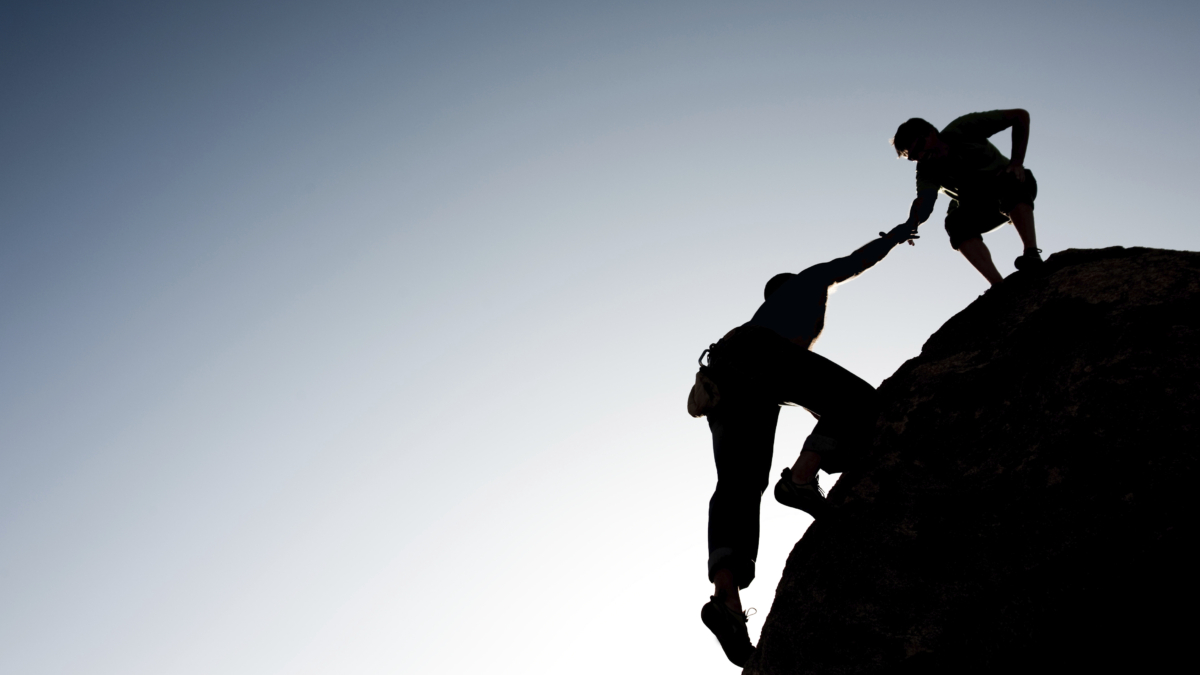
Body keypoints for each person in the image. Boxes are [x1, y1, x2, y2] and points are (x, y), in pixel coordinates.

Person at [690, 223, 918, 666]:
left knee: (738, 483)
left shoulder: (764, 317)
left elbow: (808, 396)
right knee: (862, 402)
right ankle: (799, 479)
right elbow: (853, 262)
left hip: (723, 373)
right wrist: (898, 234)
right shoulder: (807, 284)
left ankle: (726, 601)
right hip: (762, 358)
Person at [891, 109, 1042, 285]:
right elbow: (925, 200)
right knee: (955, 222)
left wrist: (1017, 162)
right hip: (979, 210)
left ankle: (1031, 253)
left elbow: (1020, 116)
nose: (921, 156)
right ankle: (998, 286)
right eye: (914, 157)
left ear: (931, 132)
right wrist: (912, 223)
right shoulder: (926, 170)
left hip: (1010, 187)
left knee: (1010, 180)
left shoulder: (963, 128)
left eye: (919, 147)